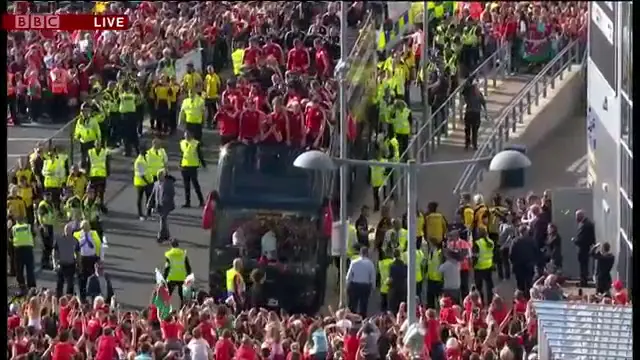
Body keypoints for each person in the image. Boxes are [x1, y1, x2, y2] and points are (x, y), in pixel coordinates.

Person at [73, 220, 103, 301]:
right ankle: (82, 298)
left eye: (87, 226)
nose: (85, 228)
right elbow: (74, 247)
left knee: (92, 278)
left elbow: (99, 246)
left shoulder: (94, 234)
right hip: (81, 259)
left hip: (92, 258)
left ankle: (93, 296)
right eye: (83, 226)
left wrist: (100, 259)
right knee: (82, 279)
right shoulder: (77, 234)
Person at [345, 246, 375, 317]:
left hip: (354, 285)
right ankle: (362, 320)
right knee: (363, 306)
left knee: (352, 305)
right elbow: (372, 277)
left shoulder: (354, 262)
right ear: (367, 254)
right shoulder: (370, 264)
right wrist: (372, 288)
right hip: (365, 286)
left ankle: (351, 320)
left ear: (360, 253)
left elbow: (349, 276)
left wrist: (347, 286)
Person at [53, 218, 80, 298]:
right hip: (61, 264)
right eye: (66, 230)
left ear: (72, 231)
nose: (67, 232)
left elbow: (77, 253)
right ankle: (58, 298)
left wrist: (78, 264)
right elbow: (54, 252)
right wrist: (55, 263)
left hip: (71, 264)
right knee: (59, 283)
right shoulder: (59, 240)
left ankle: (69, 298)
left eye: (69, 230)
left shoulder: (75, 240)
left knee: (70, 283)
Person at [179, 130, 206, 208]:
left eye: (188, 135)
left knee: (195, 184)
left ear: (191, 135)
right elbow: (182, 154)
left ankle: (201, 201)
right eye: (185, 135)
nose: (186, 137)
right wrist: (180, 163)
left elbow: (199, 154)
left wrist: (203, 164)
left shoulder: (195, 143)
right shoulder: (182, 143)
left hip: (193, 166)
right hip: (184, 166)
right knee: (186, 185)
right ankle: (187, 202)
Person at [509, 225, 538, 297]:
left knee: (520, 284)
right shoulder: (531, 241)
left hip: (518, 266)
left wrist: (513, 262)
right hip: (529, 265)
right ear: (525, 232)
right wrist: (534, 261)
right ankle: (528, 298)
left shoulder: (515, 241)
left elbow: (511, 254)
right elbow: (536, 252)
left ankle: (520, 300)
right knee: (529, 283)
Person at [9, 215, 37, 293]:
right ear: (24, 220)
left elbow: (10, 239)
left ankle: (22, 285)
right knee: (30, 268)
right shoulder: (28, 226)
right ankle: (31, 286)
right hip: (28, 249)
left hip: (18, 250)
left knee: (19, 269)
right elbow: (34, 235)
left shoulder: (14, 228)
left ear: (16, 221)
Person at [148, 169, 177, 243]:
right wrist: (149, 203)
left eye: (159, 175)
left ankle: (160, 236)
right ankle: (167, 235)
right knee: (163, 219)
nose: (158, 177)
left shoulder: (169, 183)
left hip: (166, 205)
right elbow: (153, 194)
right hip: (159, 205)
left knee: (162, 219)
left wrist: (166, 201)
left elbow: (172, 194)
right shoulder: (156, 183)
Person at [163, 239, 192, 307]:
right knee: (182, 295)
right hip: (181, 277)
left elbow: (167, 267)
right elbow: (188, 266)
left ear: (171, 245)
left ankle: (166, 309)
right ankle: (182, 308)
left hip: (171, 277)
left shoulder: (169, 254)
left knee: (168, 294)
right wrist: (188, 275)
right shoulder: (183, 254)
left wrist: (164, 277)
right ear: (178, 245)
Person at [572, 209, 596, 287]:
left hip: (583, 248)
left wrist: (575, 240)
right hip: (586, 248)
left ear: (580, 216)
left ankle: (583, 282)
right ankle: (583, 281)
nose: (576, 218)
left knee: (583, 266)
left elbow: (582, 238)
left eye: (576, 216)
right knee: (584, 265)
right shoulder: (588, 223)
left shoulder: (585, 225)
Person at [461, 77, 486, 151]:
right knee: (474, 130)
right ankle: (473, 144)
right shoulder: (478, 93)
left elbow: (463, 93)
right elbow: (483, 103)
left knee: (468, 129)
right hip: (475, 113)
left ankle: (468, 143)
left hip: (470, 112)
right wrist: (485, 113)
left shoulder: (469, 92)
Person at [87, 141, 110, 213]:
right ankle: (93, 206)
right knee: (94, 192)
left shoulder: (105, 152)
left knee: (101, 192)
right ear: (94, 145)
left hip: (102, 174)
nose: (97, 145)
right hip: (93, 175)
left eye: (99, 144)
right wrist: (88, 173)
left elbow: (107, 163)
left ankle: (101, 205)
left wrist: (108, 171)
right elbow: (88, 163)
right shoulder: (90, 152)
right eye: (96, 144)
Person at [472, 227, 494, 303]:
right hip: (488, 265)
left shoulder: (477, 243)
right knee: (489, 286)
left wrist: (472, 265)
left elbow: (475, 256)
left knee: (479, 287)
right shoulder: (491, 242)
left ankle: (481, 302)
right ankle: (490, 301)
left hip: (479, 267)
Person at [133, 145, 153, 221]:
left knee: (149, 197)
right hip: (140, 183)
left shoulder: (146, 157)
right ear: (141, 151)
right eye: (144, 150)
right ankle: (140, 214)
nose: (146, 151)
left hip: (147, 181)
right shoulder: (139, 161)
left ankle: (148, 212)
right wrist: (148, 183)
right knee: (140, 198)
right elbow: (142, 174)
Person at [37, 191, 56, 270]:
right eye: (46, 196)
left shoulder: (50, 204)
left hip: (50, 225)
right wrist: (43, 226)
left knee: (49, 245)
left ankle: (47, 262)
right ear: (44, 196)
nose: (48, 197)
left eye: (49, 195)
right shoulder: (43, 205)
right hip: (45, 226)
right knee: (46, 245)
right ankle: (44, 263)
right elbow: (40, 216)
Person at [387, 249, 407, 314]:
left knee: (393, 307)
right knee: (401, 306)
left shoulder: (392, 265)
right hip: (402, 287)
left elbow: (391, 278)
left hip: (394, 288)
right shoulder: (404, 265)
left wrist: (387, 283)